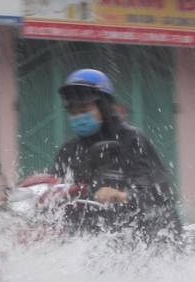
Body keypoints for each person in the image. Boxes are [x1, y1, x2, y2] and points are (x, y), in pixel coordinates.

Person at [52, 68, 182, 244]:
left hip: (145, 239)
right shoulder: (69, 150)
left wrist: (123, 195)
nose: (78, 117)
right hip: (92, 243)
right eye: (73, 113)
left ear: (104, 107)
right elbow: (56, 189)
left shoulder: (132, 139)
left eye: (84, 110)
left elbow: (157, 192)